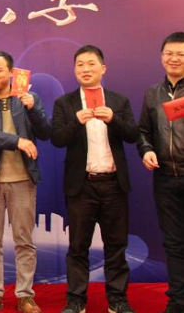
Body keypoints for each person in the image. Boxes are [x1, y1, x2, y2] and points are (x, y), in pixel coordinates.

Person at [51, 45, 139, 313]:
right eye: (80, 64)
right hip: (82, 186)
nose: (85, 69)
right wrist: (76, 121)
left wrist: (113, 119)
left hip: (114, 184)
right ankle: (76, 300)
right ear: (75, 69)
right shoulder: (64, 103)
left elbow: (132, 135)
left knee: (116, 245)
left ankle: (117, 300)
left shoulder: (118, 101)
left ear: (103, 68)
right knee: (78, 246)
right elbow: (56, 139)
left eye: (91, 64)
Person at [0, 51, 50, 313]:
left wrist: (33, 109)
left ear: (11, 73)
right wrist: (18, 141)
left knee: (24, 240)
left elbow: (45, 132)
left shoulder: (28, 98)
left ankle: (25, 295)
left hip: (23, 179)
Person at [138, 31, 184, 313]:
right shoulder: (152, 93)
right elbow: (143, 131)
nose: (174, 59)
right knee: (174, 242)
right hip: (165, 178)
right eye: (169, 53)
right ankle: (178, 300)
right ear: (161, 57)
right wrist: (146, 150)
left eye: (180, 54)